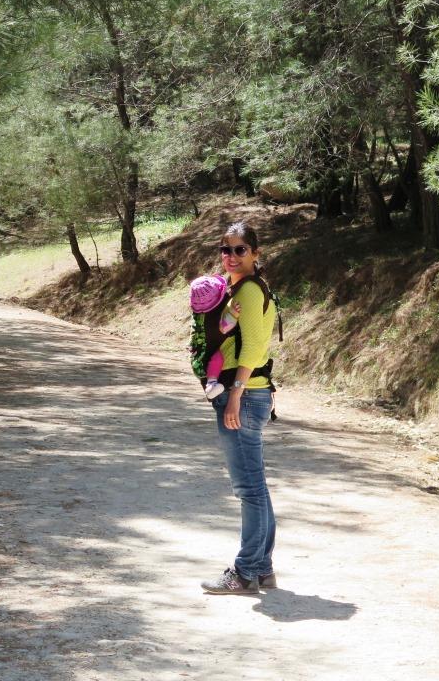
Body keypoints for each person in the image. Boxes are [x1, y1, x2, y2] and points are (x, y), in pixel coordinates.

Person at [200, 221, 278, 596]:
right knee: (255, 486)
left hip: (243, 396)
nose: (231, 256)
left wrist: (235, 392)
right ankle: (262, 568)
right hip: (249, 394)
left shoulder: (248, 289)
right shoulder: (242, 288)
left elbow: (255, 347)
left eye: (240, 249)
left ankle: (244, 573)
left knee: (248, 489)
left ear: (255, 253)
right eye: (225, 249)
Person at [188, 274, 241, 399]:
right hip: (209, 357)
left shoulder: (199, 315)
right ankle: (211, 384)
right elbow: (225, 328)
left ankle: (210, 384)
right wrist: (234, 314)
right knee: (217, 358)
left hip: (197, 353)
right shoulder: (214, 316)